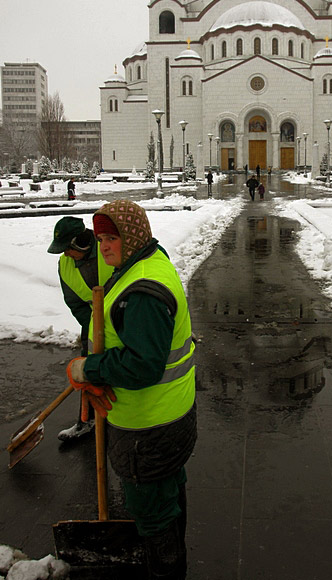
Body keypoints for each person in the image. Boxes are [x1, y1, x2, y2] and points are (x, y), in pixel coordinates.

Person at [65, 200, 197, 580]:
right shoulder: (148, 261)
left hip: (147, 431)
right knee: (169, 495)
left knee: (153, 517)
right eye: (101, 237)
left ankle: (167, 571)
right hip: (168, 418)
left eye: (113, 237)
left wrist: (87, 367)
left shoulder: (142, 290)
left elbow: (142, 364)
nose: (104, 246)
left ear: (134, 235)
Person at [48, 216, 114, 441]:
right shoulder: (65, 264)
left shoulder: (108, 247)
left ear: (80, 242)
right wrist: (93, 329)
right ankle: (86, 420)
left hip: (123, 315)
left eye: (67, 248)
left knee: (121, 367)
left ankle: (117, 418)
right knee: (88, 370)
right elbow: (74, 302)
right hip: (93, 320)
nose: (65, 254)